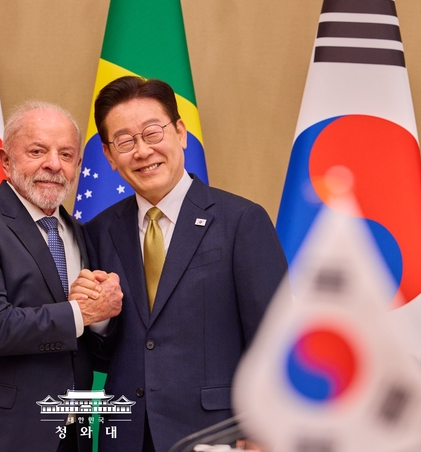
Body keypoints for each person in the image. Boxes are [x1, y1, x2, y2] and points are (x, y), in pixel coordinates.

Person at [72, 76, 287, 452]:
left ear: (181, 133)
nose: (142, 151)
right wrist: (99, 318)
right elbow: (104, 353)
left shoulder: (241, 221)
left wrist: (263, 429)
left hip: (215, 435)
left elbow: (277, 338)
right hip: (126, 437)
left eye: (152, 133)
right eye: (125, 141)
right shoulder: (98, 231)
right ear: (109, 155)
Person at [0, 101, 123, 452]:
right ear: (6, 160)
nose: (53, 164)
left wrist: (101, 318)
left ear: (78, 165)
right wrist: (82, 313)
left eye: (66, 154)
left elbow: (85, 343)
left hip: (70, 433)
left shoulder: (80, 233)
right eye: (37, 151)